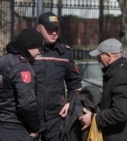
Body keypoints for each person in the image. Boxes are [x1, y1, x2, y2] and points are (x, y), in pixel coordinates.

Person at [79, 38, 127, 141]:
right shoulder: (116, 73)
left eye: (100, 56)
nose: (98, 60)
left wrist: (94, 119)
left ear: (109, 56)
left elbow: (120, 113)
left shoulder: (122, 76)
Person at [33, 12, 82, 141]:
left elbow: (74, 82)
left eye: (56, 29)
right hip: (31, 115)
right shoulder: (30, 51)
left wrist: (71, 103)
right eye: (50, 29)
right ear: (39, 29)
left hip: (56, 116)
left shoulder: (65, 52)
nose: (54, 33)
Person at [0, 28, 43, 141]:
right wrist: (35, 128)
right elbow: (27, 104)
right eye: (39, 48)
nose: (39, 52)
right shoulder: (22, 67)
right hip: (16, 129)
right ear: (30, 46)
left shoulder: (1, 63)